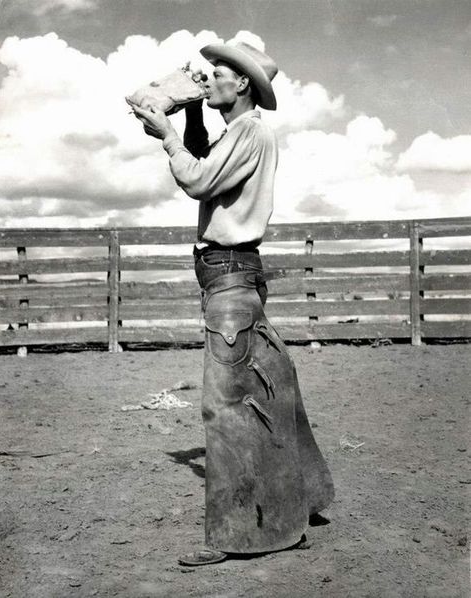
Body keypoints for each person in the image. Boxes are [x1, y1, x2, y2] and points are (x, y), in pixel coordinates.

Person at [131, 41, 334, 566]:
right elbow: (208, 162)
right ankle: (301, 504)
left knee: (222, 407)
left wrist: (167, 134)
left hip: (229, 279)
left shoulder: (251, 131)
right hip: (236, 277)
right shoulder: (242, 132)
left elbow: (196, 178)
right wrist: (193, 108)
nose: (210, 79)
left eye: (216, 74)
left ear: (242, 84)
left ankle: (236, 535)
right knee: (273, 386)